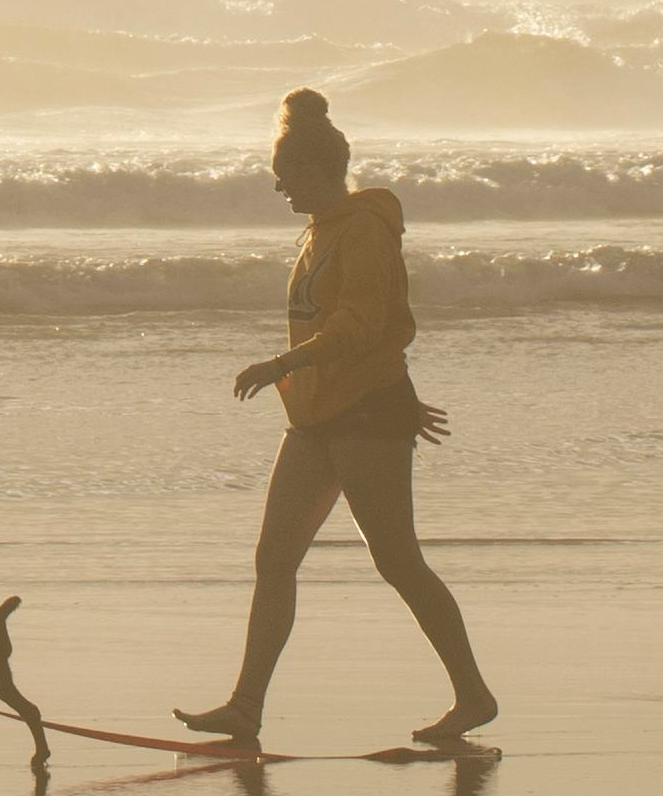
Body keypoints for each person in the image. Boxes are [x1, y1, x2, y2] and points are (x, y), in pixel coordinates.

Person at [182, 84, 499, 750]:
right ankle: (245, 708)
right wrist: (302, 377)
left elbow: (363, 323)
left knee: (397, 560)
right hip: (319, 414)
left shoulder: (364, 230)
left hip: (364, 414)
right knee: (274, 558)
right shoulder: (321, 230)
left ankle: (473, 695)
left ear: (318, 171)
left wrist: (282, 365)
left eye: (284, 177)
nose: (279, 190)